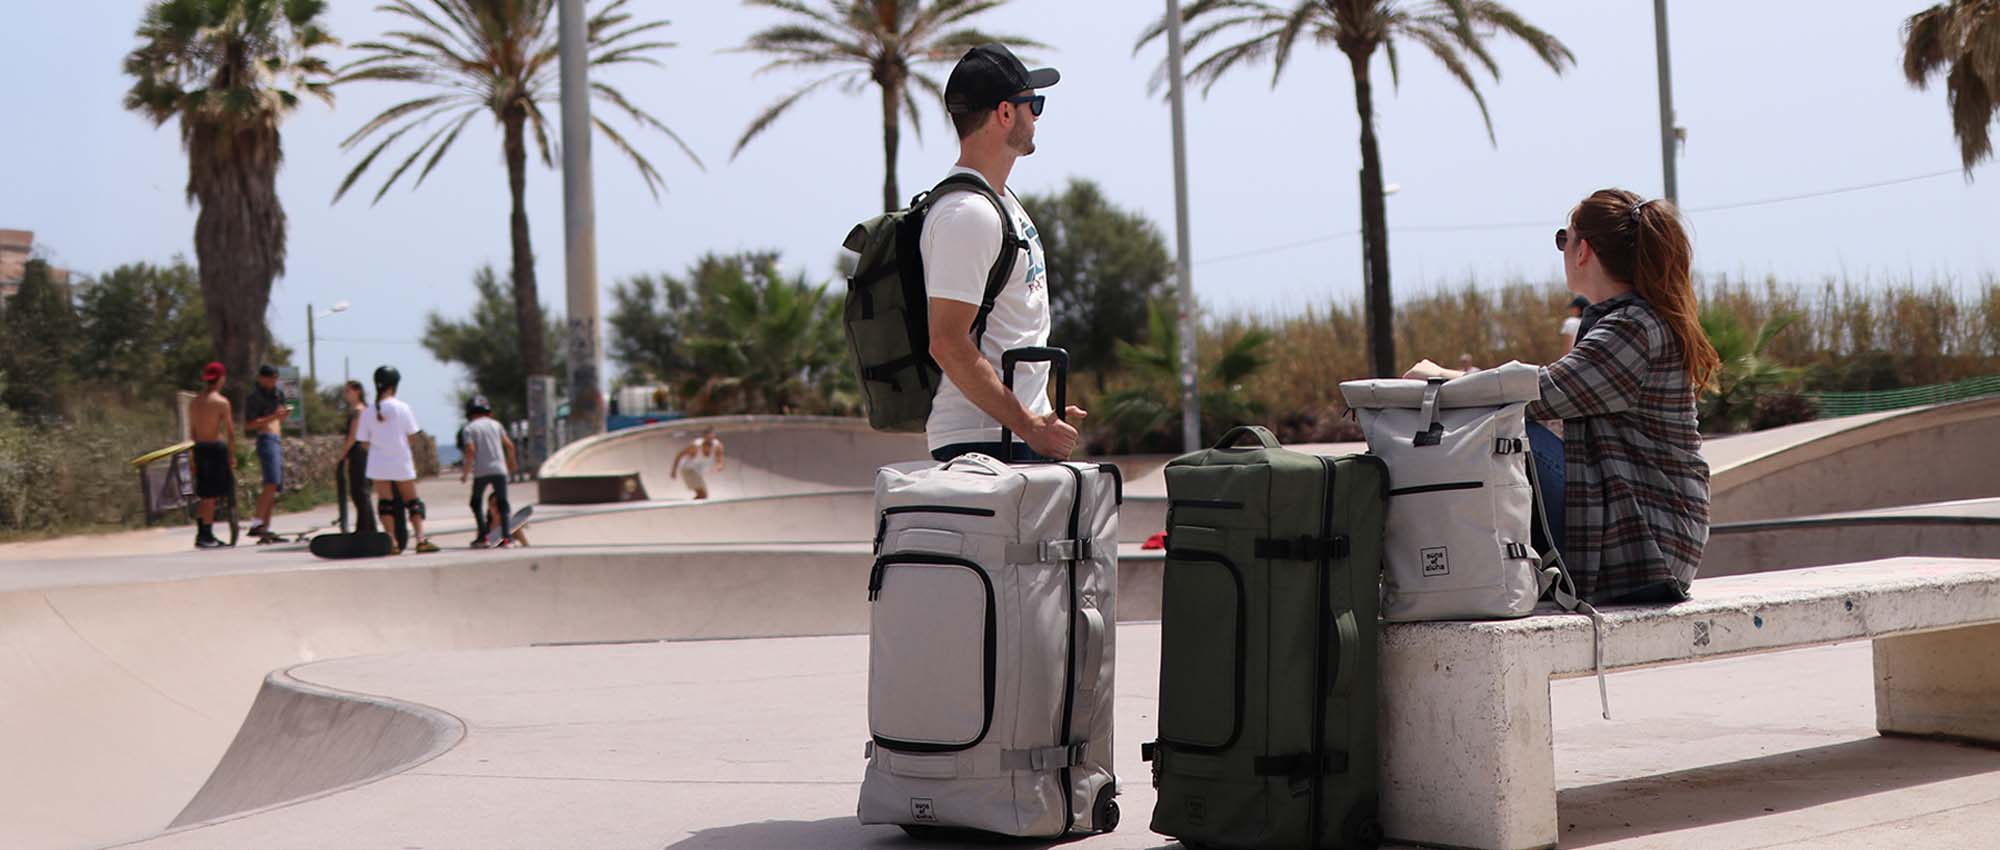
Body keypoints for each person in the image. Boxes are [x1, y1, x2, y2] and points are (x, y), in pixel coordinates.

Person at [1404, 188, 1719, 605]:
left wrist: (1443, 378)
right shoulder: (1630, 321)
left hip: (1647, 545)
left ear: (1583, 249)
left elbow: (1539, 394)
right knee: (1504, 426)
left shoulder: (1633, 328)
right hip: (1644, 535)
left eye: (1562, 239)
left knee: (1505, 428)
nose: (1563, 251)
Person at [921, 44, 1087, 464]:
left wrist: (1039, 418)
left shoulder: (998, 203)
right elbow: (947, 342)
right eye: (1033, 104)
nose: (1036, 116)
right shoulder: (968, 215)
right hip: (982, 445)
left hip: (1007, 437)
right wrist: (1028, 426)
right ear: (1005, 114)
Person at [355, 365, 439, 554]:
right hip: (400, 460)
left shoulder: (368, 412)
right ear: (395, 385)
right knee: (413, 501)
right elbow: (412, 436)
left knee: (386, 503)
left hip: (378, 463)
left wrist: (380, 447)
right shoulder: (403, 408)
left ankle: (391, 541)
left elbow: (363, 442)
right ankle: (420, 539)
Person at [459, 395, 519, 547]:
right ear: (488, 412)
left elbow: (471, 450)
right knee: (503, 503)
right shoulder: (496, 425)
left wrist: (465, 473)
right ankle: (507, 538)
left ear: (469, 413)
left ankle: (483, 537)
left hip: (481, 471)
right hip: (499, 469)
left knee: (476, 502)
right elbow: (510, 446)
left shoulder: (469, 428)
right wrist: (511, 464)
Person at [188, 362, 236, 549]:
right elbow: (230, 432)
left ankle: (203, 532)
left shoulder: (194, 402)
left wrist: (192, 457)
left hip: (199, 447)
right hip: (215, 448)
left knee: (204, 494)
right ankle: (205, 535)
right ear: (221, 378)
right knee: (210, 495)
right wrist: (232, 455)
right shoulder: (221, 402)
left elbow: (192, 431)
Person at [242, 364, 291, 541]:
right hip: (266, 439)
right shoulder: (254, 397)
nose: (273, 382)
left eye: (275, 378)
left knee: (275, 485)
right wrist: (273, 417)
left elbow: (279, 418)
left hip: (277, 438)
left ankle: (265, 528)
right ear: (261, 378)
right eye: (270, 378)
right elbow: (249, 424)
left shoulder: (278, 394)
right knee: (270, 482)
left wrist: (283, 415)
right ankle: (256, 522)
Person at [331, 380, 374, 534]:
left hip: (358, 452)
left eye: (348, 391)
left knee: (360, 491)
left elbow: (353, 435)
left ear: (357, 391)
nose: (346, 395)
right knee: (360, 491)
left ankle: (365, 528)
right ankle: (366, 526)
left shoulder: (358, 410)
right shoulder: (365, 410)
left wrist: (342, 455)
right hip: (361, 452)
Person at [671, 427, 725, 501]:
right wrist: (674, 470)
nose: (708, 447)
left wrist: (719, 465)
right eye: (706, 443)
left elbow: (720, 458)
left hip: (697, 471)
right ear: (704, 439)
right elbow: (680, 455)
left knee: (703, 495)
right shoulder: (695, 446)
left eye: (710, 443)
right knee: (703, 495)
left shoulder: (717, 446)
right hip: (687, 469)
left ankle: (690, 505)